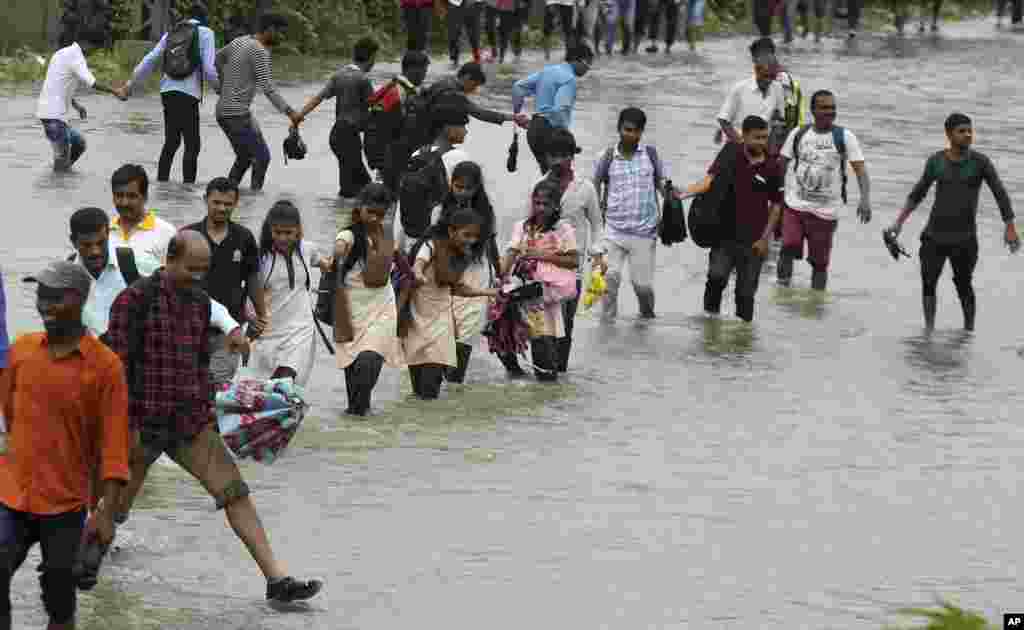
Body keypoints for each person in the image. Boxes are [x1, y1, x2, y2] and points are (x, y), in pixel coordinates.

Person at [107, 230, 322, 603]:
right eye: (191, 269)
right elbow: (115, 368)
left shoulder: (200, 303)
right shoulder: (134, 301)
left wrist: (234, 337)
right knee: (114, 508)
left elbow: (205, 348)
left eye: (204, 270)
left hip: (191, 423)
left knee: (235, 493)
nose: (198, 277)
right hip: (141, 424)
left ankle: (277, 580)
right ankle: (84, 574)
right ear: (169, 260)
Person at [0, 261, 130, 630]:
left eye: (55, 298)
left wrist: (105, 514)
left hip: (66, 501)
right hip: (11, 494)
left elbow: (115, 446)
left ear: (78, 300)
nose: (45, 305)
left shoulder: (106, 367)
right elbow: (7, 418)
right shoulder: (21, 352)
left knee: (59, 594)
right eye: (42, 296)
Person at [888, 113, 1020, 332]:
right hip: (934, 236)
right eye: (962, 131)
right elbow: (917, 194)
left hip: (965, 239)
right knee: (928, 284)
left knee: (964, 286)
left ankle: (969, 333)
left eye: (970, 130)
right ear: (949, 134)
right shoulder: (936, 161)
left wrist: (1010, 227)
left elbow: (1000, 193)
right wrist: (898, 223)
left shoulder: (980, 162)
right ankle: (928, 331)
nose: (968, 135)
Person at [502, 128, 600, 375]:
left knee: (564, 324)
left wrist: (598, 255)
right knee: (542, 324)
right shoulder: (538, 186)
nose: (556, 162)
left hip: (571, 268)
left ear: (571, 157)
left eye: (562, 156)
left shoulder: (585, 188)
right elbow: (526, 224)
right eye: (551, 156)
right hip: (539, 272)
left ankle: (560, 372)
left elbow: (597, 225)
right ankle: (546, 374)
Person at [70, 206, 245, 343]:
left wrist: (231, 327)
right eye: (86, 245)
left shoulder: (131, 262)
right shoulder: (67, 277)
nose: (95, 251)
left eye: (100, 243)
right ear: (73, 241)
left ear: (108, 234)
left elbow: (188, 293)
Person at [685, 116, 784, 322]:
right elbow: (709, 181)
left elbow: (776, 205)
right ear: (744, 135)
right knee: (716, 278)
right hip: (724, 235)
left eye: (765, 138)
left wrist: (766, 239)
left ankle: (743, 342)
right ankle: (709, 326)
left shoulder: (772, 166)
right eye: (757, 138)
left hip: (754, 241)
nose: (761, 142)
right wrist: (683, 194)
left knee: (745, 294)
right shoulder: (730, 152)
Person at [776, 90, 872, 291]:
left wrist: (865, 199)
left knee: (819, 263)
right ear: (813, 110)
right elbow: (782, 163)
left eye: (833, 108)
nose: (830, 112)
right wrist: (776, 195)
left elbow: (860, 171)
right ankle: (782, 291)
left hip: (825, 212)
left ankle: (816, 300)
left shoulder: (845, 137)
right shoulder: (798, 133)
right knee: (787, 247)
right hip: (795, 205)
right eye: (824, 107)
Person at [402, 208, 499, 399]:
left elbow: (456, 288)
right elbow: (419, 264)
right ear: (451, 231)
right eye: (466, 235)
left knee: (430, 389)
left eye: (474, 236)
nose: (471, 240)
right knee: (417, 390)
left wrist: (488, 292)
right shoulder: (431, 245)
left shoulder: (461, 255)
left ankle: (428, 420)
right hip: (416, 318)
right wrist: (419, 273)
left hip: (441, 320)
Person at [120, 1, 219, 184]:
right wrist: (219, 89)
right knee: (192, 145)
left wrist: (130, 85)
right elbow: (209, 68)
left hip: (167, 91)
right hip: (188, 94)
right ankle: (187, 189)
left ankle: (161, 184)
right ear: (205, 18)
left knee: (171, 142)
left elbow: (149, 60)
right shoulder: (206, 33)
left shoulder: (172, 32)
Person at [186, 178, 267, 386]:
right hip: (191, 326)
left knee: (218, 382)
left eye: (228, 204)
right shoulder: (188, 236)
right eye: (216, 202)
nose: (222, 208)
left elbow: (253, 277)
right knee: (190, 384)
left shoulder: (244, 238)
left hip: (230, 327)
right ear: (206, 200)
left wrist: (261, 314)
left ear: (236, 204)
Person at [498, 179, 579, 381]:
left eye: (546, 204)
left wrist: (540, 255)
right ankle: (517, 376)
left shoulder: (563, 229)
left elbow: (573, 260)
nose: (541, 208)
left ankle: (549, 396)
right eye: (537, 203)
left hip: (547, 294)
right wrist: (500, 279)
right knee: (501, 336)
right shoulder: (522, 227)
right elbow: (511, 253)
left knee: (543, 351)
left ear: (556, 206)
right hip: (521, 289)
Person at [333, 184, 404, 415]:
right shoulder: (350, 234)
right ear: (359, 207)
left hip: (382, 305)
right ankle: (357, 415)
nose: (374, 218)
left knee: (371, 359)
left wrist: (415, 276)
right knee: (352, 368)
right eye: (369, 211)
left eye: (380, 214)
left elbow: (397, 257)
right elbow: (340, 245)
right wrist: (337, 251)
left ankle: (358, 411)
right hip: (351, 309)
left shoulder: (386, 233)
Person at [592, 107, 667, 323]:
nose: (630, 135)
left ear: (642, 132)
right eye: (627, 129)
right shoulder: (606, 157)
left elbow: (660, 184)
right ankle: (607, 328)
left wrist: (673, 194)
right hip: (613, 231)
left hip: (645, 232)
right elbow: (595, 185)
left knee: (642, 286)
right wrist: (596, 220)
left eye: (636, 131)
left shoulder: (651, 155)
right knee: (609, 280)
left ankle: (647, 320)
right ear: (619, 128)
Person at [215, 13, 304, 191]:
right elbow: (268, 88)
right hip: (236, 114)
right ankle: (254, 201)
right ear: (270, 29)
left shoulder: (239, 41)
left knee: (244, 157)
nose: (282, 38)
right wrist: (290, 112)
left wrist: (224, 85)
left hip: (224, 112)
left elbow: (217, 59)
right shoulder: (259, 51)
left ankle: (228, 194)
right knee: (262, 157)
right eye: (281, 33)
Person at [248, 202, 329, 387]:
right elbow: (249, 295)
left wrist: (328, 265)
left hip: (300, 332)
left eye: (288, 233)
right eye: (277, 233)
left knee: (285, 383)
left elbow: (321, 261)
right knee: (265, 395)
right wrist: (251, 318)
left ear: (298, 230)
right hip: (267, 335)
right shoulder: (260, 258)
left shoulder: (307, 249)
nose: (283, 238)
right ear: (269, 231)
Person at [440, 162, 501, 384]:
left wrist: (501, 277)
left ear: (478, 188)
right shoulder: (441, 210)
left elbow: (492, 247)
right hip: (447, 275)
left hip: (476, 273)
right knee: (443, 333)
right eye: (458, 187)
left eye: (469, 188)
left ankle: (455, 387)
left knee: (465, 335)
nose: (463, 192)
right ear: (451, 185)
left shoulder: (486, 212)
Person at [296, 37, 379, 198]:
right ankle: (344, 215)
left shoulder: (339, 75)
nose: (374, 63)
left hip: (336, 136)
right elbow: (375, 109)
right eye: (374, 58)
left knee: (349, 184)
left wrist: (298, 117)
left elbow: (318, 98)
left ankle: (339, 214)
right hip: (349, 137)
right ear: (370, 57)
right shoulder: (363, 79)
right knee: (364, 186)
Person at [37, 25, 124, 172]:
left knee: (78, 143)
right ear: (87, 43)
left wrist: (76, 106)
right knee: (61, 162)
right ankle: (59, 183)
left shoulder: (60, 53)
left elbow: (58, 86)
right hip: (55, 117)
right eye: (95, 48)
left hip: (48, 114)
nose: (93, 52)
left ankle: (59, 176)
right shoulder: (76, 57)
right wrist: (115, 91)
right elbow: (92, 82)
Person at [396, 104, 473, 249]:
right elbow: (470, 200)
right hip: (437, 237)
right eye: (462, 126)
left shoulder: (418, 153)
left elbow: (404, 197)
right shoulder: (460, 157)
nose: (466, 131)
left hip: (410, 233)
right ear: (448, 128)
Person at [512, 43, 595, 175]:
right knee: (558, 178)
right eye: (588, 63)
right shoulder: (569, 79)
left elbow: (518, 88)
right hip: (551, 132)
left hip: (534, 131)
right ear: (577, 60)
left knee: (547, 176)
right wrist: (567, 140)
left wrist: (517, 113)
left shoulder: (548, 71)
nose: (588, 68)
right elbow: (560, 111)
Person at [368, 50, 430, 195]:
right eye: (423, 71)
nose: (424, 75)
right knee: (391, 195)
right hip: (389, 154)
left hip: (391, 153)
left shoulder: (402, 88)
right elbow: (380, 125)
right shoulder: (396, 92)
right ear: (411, 69)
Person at [715, 38, 785, 146]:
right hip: (739, 145)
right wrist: (741, 143)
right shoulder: (739, 88)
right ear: (757, 70)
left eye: (772, 76)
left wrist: (773, 148)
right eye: (765, 76)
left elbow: (778, 120)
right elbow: (724, 120)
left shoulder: (778, 88)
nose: (768, 80)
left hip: (764, 147)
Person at [108, 164, 178, 268]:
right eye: (119, 195)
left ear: (145, 197)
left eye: (132, 196)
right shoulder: (105, 231)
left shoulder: (166, 233)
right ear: (113, 197)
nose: (124, 203)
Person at [425, 63, 530, 130]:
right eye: (475, 85)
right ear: (467, 77)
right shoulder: (453, 94)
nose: (474, 89)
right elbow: (479, 113)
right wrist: (513, 117)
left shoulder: (443, 83)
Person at [447, 0, 484, 66]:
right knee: (454, 33)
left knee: (474, 32)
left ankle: (477, 57)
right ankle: (454, 59)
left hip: (474, 4)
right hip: (456, 4)